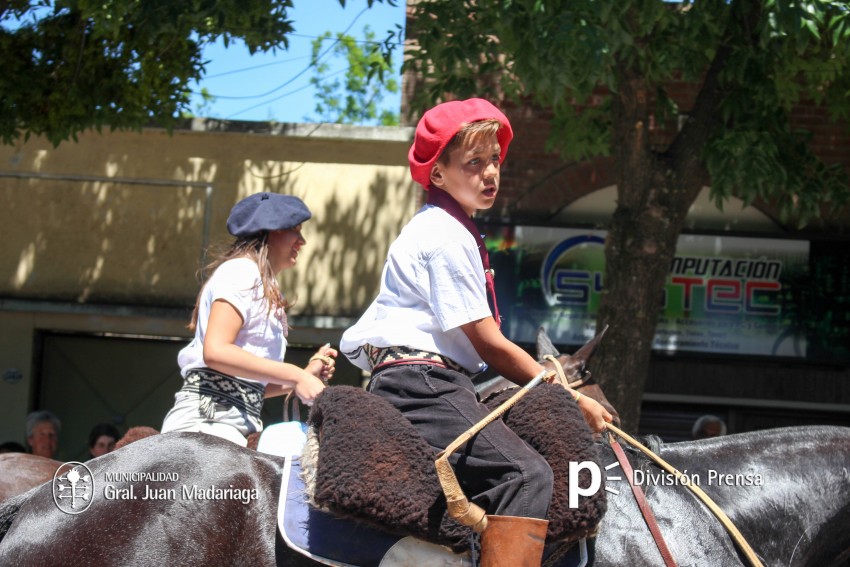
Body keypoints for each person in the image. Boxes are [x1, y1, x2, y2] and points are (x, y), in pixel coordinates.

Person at [340, 98, 612, 567]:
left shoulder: (450, 229)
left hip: (434, 379)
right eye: (474, 162)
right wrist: (571, 397)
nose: (490, 174)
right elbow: (489, 343)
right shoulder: (444, 235)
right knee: (527, 476)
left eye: (495, 161)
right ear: (437, 174)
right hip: (422, 383)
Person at [161, 192, 337, 447]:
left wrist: (300, 377)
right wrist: (295, 375)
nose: (302, 241)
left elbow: (251, 387)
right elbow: (216, 351)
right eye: (295, 230)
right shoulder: (241, 272)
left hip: (230, 427)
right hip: (205, 426)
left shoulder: (262, 283)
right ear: (269, 232)